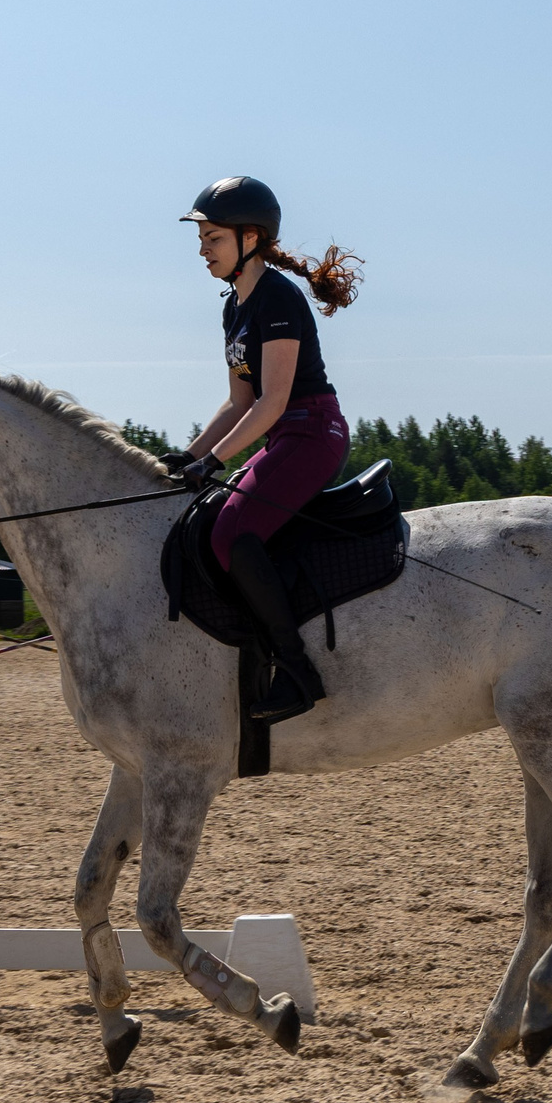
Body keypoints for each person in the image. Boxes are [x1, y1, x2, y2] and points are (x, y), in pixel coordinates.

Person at [164, 175, 363, 724]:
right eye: (201, 240)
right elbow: (239, 402)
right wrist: (187, 455)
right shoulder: (234, 307)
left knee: (233, 532)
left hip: (313, 432)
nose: (202, 250)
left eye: (213, 239)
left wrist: (213, 461)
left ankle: (297, 672)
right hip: (282, 434)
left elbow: (272, 401)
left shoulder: (277, 297)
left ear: (250, 237)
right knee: (209, 522)